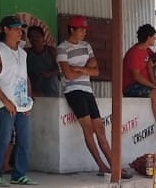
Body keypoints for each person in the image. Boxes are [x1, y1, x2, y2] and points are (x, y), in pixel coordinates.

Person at [55, 15, 132, 178]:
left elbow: (96, 71)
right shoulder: (62, 48)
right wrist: (85, 69)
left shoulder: (86, 46)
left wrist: (79, 69)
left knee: (100, 129)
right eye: (81, 29)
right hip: (73, 91)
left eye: (85, 30)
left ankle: (114, 166)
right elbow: (68, 75)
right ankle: (101, 165)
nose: (84, 32)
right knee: (88, 129)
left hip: (87, 90)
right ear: (72, 29)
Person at [0, 14, 36, 186]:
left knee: (24, 141)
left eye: (20, 28)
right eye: (15, 29)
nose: (19, 32)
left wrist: (28, 100)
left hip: (21, 104)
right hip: (5, 104)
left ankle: (19, 174)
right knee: (4, 139)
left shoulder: (23, 53)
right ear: (5, 30)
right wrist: (6, 101)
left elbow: (25, 78)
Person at [24, 23, 62, 99]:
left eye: (37, 36)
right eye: (31, 37)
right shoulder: (26, 53)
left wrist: (49, 74)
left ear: (43, 37)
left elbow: (61, 69)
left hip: (50, 90)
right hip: (33, 91)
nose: (34, 39)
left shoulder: (51, 51)